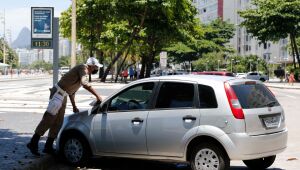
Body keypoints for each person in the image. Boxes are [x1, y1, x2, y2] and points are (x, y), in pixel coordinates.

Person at [27, 57, 103, 156]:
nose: (96, 69)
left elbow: (72, 92)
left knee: (58, 122)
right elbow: (84, 83)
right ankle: (33, 142)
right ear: (92, 66)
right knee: (49, 119)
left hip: (63, 95)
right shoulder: (83, 69)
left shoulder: (83, 72)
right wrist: (98, 96)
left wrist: (74, 106)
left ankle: (48, 146)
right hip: (58, 94)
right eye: (96, 67)